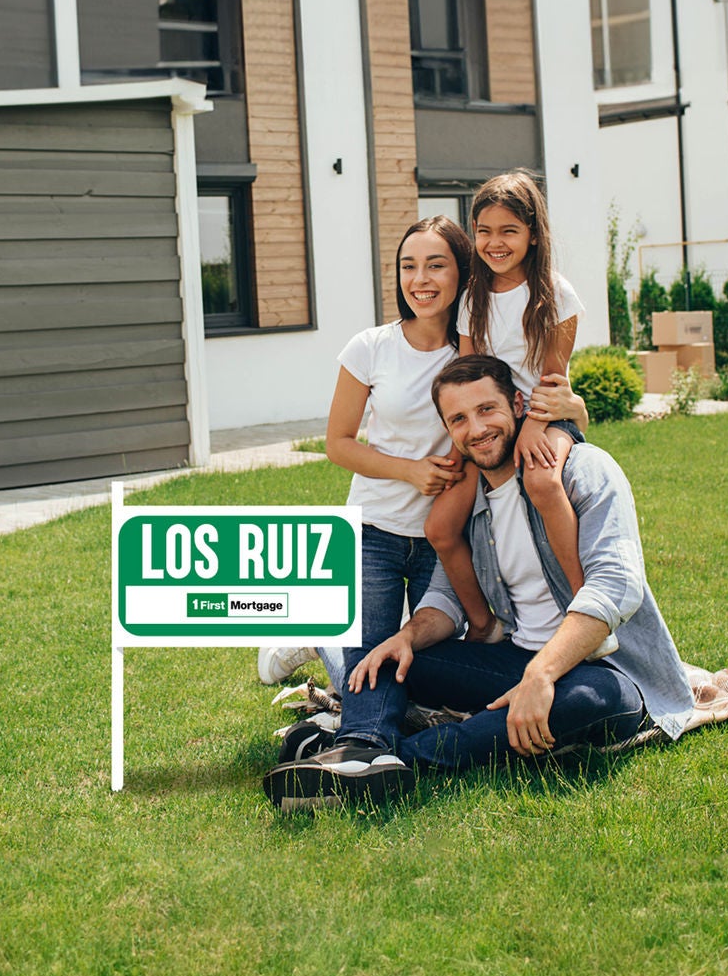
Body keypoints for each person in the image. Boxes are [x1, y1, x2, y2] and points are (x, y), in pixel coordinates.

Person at [263, 354, 699, 811]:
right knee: (387, 659)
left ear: (516, 404)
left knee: (595, 700)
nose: (476, 428)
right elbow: (444, 598)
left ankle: (392, 762)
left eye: (486, 410)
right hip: (512, 662)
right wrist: (409, 636)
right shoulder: (471, 505)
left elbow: (616, 585)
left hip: (602, 670)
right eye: (458, 419)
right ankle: (361, 746)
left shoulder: (583, 470)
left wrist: (543, 673)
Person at [258, 216, 590, 692]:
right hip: (377, 528)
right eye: (408, 267)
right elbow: (337, 444)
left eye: (436, 265)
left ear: (463, 273)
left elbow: (525, 397)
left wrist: (576, 407)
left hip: (451, 532)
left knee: (416, 662)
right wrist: (411, 471)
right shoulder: (370, 347)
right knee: (369, 669)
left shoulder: (476, 352)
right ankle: (321, 641)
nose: (420, 280)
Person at [424, 171, 592, 650]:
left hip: (544, 416)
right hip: (489, 424)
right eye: (484, 231)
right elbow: (469, 370)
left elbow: (555, 377)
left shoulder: (555, 295)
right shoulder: (473, 299)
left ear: (533, 234)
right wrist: (465, 445)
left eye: (508, 231)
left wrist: (532, 427)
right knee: (439, 525)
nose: (494, 243)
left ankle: (584, 611)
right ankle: (483, 624)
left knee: (540, 481)